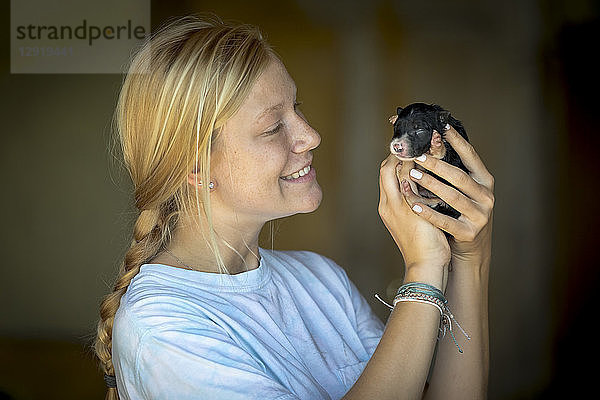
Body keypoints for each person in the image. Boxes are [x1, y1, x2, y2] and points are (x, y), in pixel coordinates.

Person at [94, 13, 494, 400]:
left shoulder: (322, 281)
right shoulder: (163, 329)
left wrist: (469, 258)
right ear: (195, 166)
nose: (311, 135)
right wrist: (422, 271)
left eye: (296, 107)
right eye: (273, 128)